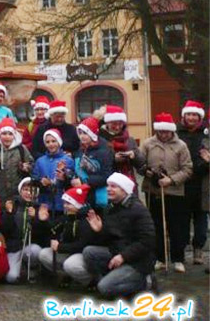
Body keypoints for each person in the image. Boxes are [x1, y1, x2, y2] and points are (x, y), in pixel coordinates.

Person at [83, 173, 156, 297]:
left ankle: (144, 283)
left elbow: (147, 241)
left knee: (104, 288)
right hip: (117, 252)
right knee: (89, 252)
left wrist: (123, 256)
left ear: (124, 190)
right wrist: (99, 230)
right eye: (108, 186)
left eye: (113, 186)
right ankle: (112, 279)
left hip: (137, 261)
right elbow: (109, 238)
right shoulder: (110, 208)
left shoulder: (138, 209)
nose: (108, 189)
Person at [139, 113, 193, 273]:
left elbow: (188, 168)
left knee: (177, 226)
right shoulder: (148, 143)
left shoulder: (181, 145)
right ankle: (160, 258)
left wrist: (172, 180)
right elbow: (139, 163)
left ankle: (178, 259)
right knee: (156, 225)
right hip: (153, 190)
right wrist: (146, 172)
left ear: (171, 131)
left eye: (166, 131)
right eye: (160, 131)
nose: (163, 134)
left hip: (175, 192)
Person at [38, 185, 95, 287]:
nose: (65, 206)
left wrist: (60, 247)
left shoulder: (87, 220)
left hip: (82, 255)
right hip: (68, 252)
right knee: (44, 254)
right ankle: (68, 275)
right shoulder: (67, 217)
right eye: (65, 203)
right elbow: (52, 228)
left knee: (70, 264)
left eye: (68, 203)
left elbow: (82, 245)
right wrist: (44, 221)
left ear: (77, 205)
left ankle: (91, 281)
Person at [176, 101, 209, 265]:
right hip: (182, 183)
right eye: (188, 114)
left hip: (202, 183)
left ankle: (198, 249)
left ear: (199, 117)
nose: (191, 118)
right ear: (184, 116)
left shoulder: (206, 135)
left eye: (194, 115)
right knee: (181, 219)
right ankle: (180, 250)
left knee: (201, 218)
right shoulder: (176, 133)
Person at [0, 178, 50, 283]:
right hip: (14, 247)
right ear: (20, 190)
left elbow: (43, 234)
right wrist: (9, 214)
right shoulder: (13, 204)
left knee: (36, 251)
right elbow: (4, 229)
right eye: (26, 189)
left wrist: (38, 219)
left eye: (31, 190)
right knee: (11, 278)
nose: (28, 193)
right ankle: (18, 268)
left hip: (29, 246)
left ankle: (32, 268)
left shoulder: (38, 208)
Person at [0, 118, 33, 201]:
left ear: (14, 135)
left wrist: (26, 168)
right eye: (4, 134)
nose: (7, 137)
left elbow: (31, 165)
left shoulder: (22, 149)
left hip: (16, 193)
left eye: (10, 134)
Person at [32, 129, 76, 216]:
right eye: (47, 142)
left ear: (59, 142)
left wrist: (64, 176)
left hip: (61, 203)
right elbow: (35, 178)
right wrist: (41, 181)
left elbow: (70, 181)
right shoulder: (40, 161)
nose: (51, 144)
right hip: (44, 202)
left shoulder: (68, 160)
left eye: (53, 141)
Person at [74, 117, 114, 210]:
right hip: (83, 195)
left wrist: (85, 181)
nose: (82, 136)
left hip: (98, 197)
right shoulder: (80, 150)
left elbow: (106, 176)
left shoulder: (104, 152)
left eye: (85, 133)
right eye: (80, 133)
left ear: (93, 135)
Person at [98, 105, 144, 181]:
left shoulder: (130, 140)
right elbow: (96, 162)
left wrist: (134, 155)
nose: (117, 127)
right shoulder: (100, 139)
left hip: (128, 181)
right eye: (114, 124)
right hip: (107, 182)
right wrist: (113, 159)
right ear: (107, 123)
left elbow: (141, 164)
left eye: (120, 124)